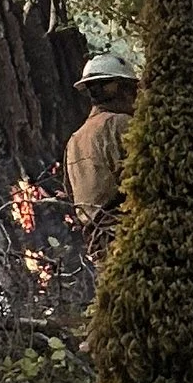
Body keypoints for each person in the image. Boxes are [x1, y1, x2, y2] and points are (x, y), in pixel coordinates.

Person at [63, 49, 142, 264]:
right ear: (119, 88)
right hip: (131, 240)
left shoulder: (74, 140)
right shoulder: (118, 125)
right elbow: (146, 182)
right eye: (132, 89)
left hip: (100, 251)